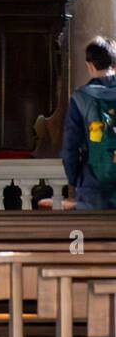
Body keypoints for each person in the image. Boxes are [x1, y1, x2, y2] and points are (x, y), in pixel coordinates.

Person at [62, 36, 116, 209]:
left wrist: (75, 180)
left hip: (93, 188)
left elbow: (70, 149)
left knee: (92, 234)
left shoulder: (80, 98)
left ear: (90, 66)